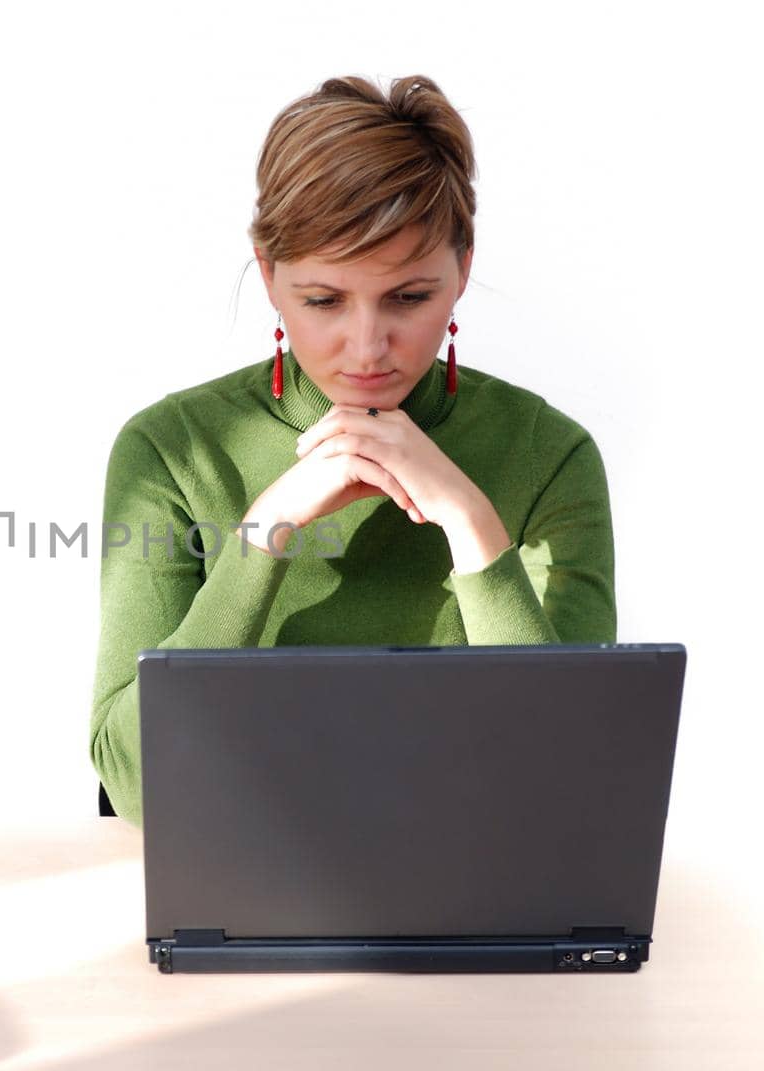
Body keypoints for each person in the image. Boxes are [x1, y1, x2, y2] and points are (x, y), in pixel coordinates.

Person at [88, 75, 617, 827]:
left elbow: (576, 784)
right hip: (243, 885)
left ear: (463, 269)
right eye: (324, 300)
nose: (368, 348)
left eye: (408, 297)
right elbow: (137, 785)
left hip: (480, 893)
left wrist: (472, 522)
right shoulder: (171, 452)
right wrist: (261, 535)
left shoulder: (550, 456)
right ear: (269, 276)